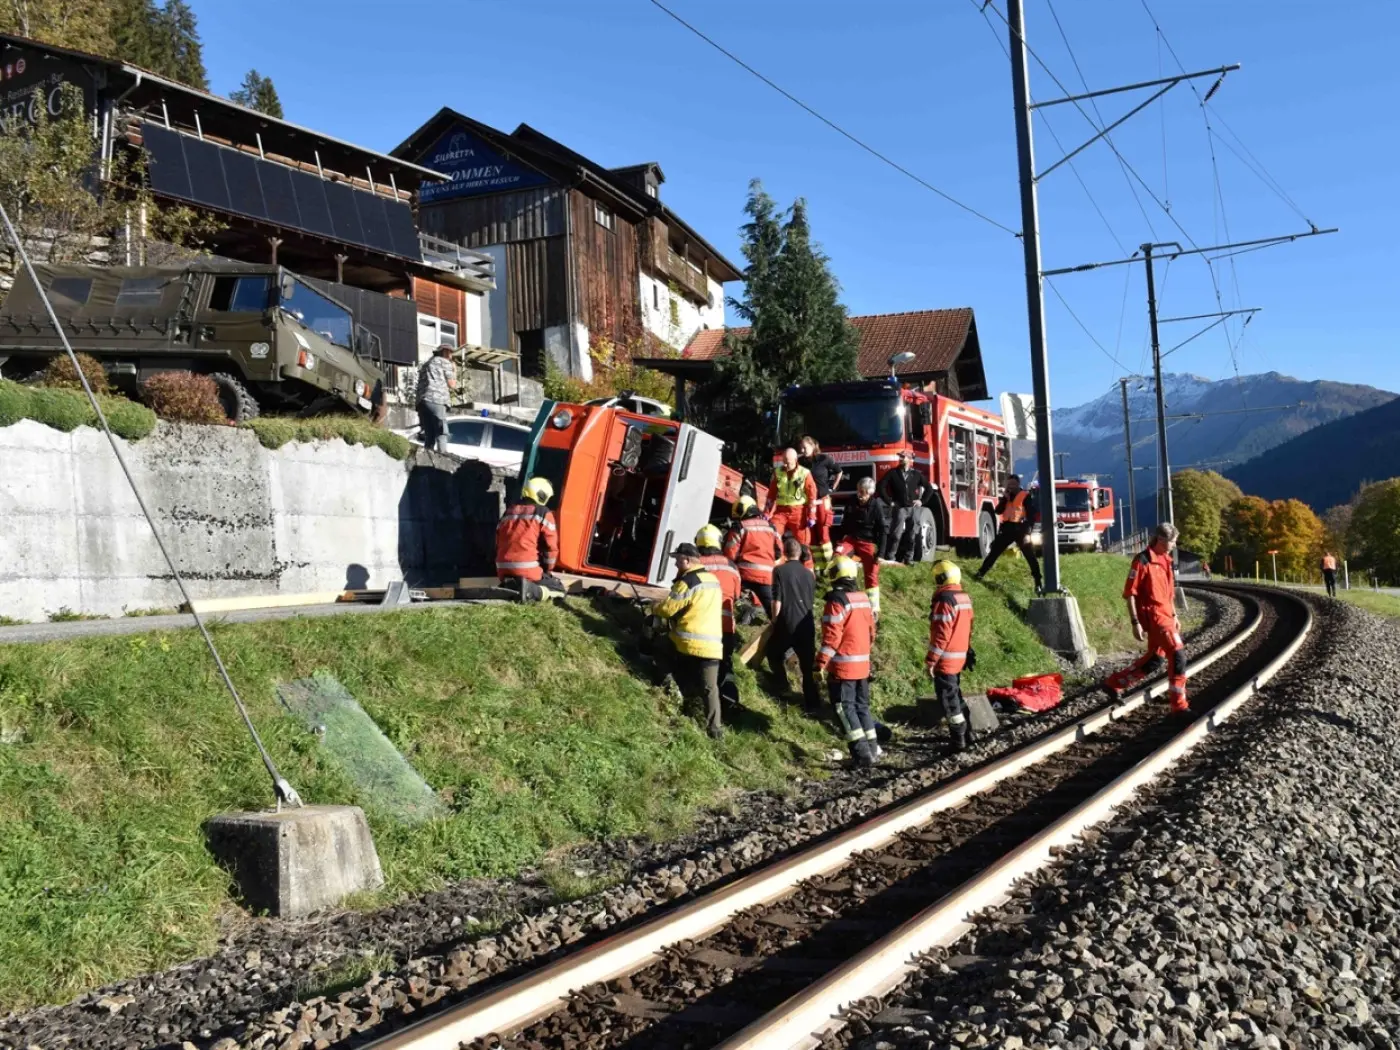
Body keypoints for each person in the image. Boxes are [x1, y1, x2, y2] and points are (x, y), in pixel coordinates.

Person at [1104, 522, 1188, 713]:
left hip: (1167, 615)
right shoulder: (1142, 561)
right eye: (1173, 541)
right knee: (1178, 655)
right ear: (1160, 539)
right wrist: (1135, 622)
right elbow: (1130, 593)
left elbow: (1168, 594)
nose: (1175, 544)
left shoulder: (1166, 560)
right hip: (1155, 617)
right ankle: (1179, 706)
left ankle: (1114, 683)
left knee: (1155, 660)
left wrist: (1174, 615)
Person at [651, 543, 725, 739]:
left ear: (686, 560)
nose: (676, 564)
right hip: (713, 645)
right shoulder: (714, 580)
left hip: (688, 642)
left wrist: (654, 607)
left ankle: (669, 690)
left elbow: (668, 609)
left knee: (659, 647)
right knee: (710, 688)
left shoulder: (688, 581)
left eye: (677, 560)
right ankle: (715, 730)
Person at [815, 555, 879, 767]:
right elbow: (872, 633)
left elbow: (832, 637)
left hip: (844, 668)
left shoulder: (837, 601)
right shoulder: (862, 598)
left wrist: (820, 663)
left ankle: (862, 756)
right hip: (863, 664)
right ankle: (872, 749)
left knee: (844, 709)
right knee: (862, 707)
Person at [926, 560, 977, 752]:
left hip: (946, 659)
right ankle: (968, 733)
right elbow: (968, 628)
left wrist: (931, 660)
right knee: (956, 695)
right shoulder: (963, 597)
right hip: (959, 655)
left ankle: (958, 740)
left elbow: (941, 635)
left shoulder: (944, 600)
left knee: (949, 700)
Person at [768, 535, 822, 712]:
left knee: (774, 654)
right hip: (806, 624)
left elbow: (777, 600)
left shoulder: (779, 571)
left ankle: (783, 688)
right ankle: (813, 704)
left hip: (787, 622)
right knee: (808, 666)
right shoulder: (809, 575)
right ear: (800, 554)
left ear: (784, 552)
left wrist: (774, 620)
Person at [695, 523, 744, 712]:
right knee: (726, 665)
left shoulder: (697, 564)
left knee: (700, 664)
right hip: (726, 628)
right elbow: (737, 595)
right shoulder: (731, 566)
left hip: (702, 626)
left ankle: (698, 701)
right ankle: (731, 703)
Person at [973, 474, 1042, 591]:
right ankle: (980, 573)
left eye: (1013, 484)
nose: (1011, 486)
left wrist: (1028, 532)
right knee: (994, 551)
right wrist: (1005, 499)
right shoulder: (1006, 497)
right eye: (1009, 484)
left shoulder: (1025, 496)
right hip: (1007, 529)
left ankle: (1038, 582)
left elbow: (1032, 515)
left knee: (1030, 556)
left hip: (1021, 529)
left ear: (1018, 484)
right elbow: (998, 511)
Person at [496, 477, 560, 590]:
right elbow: (550, 548)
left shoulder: (509, 512)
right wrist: (547, 571)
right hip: (528, 571)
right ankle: (531, 592)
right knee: (558, 589)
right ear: (542, 495)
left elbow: (497, 541)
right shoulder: (543, 513)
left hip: (502, 570)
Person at [837, 476, 889, 616]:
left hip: (867, 541)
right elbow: (845, 521)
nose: (860, 495)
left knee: (871, 571)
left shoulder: (876, 505)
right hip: (851, 538)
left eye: (863, 493)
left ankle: (874, 607)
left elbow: (883, 530)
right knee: (838, 556)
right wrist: (840, 539)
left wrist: (881, 553)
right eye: (858, 491)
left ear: (870, 493)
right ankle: (842, 592)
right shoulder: (852, 500)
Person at [724, 495, 782, 616]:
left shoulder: (740, 527)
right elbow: (779, 551)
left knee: (727, 598)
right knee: (774, 612)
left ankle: (742, 610)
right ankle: (780, 630)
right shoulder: (771, 527)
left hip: (744, 575)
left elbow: (730, 555)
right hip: (767, 576)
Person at [799, 436, 842, 574]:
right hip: (809, 502)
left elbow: (839, 471)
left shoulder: (824, 459)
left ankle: (829, 565)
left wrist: (832, 488)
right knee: (811, 535)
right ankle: (818, 566)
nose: (802, 450)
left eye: (805, 447)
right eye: (801, 448)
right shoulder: (800, 462)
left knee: (823, 533)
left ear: (812, 446)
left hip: (822, 500)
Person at [879, 450, 928, 564]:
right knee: (896, 534)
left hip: (913, 509)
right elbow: (881, 486)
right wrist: (889, 501)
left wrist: (921, 501)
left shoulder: (916, 474)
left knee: (912, 535)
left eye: (903, 457)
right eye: (900, 457)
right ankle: (891, 557)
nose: (900, 459)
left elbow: (929, 489)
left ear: (910, 459)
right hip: (900, 508)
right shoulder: (893, 473)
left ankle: (908, 558)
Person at [766, 447, 818, 546]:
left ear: (795, 460)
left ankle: (806, 561)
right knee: (772, 535)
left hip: (798, 512)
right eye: (784, 462)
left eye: (788, 462)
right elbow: (771, 495)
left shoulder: (805, 473)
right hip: (781, 511)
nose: (785, 465)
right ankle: (778, 559)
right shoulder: (778, 472)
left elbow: (812, 496)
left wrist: (811, 516)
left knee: (803, 543)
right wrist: (767, 512)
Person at [415, 342, 457, 453]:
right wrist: (454, 369)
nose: (451, 356)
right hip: (437, 399)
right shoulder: (445, 362)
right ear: (446, 352)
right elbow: (452, 385)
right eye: (451, 353)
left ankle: (427, 459)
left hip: (422, 402)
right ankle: (442, 459)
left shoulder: (426, 364)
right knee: (441, 432)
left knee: (429, 435)